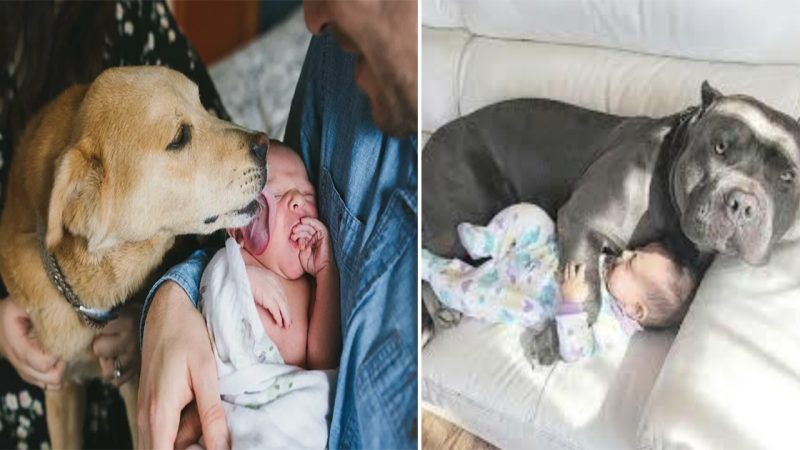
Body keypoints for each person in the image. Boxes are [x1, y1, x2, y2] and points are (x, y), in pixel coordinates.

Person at [137, 1, 418, 449]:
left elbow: (323, 358)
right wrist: (172, 300)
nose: (311, 20)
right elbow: (227, 241)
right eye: (283, 197)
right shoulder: (341, 56)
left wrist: (326, 272)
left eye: (307, 198)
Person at [0, 1, 229, 448]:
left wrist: (159, 305)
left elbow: (214, 166)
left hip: (141, 337)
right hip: (21, 348)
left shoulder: (130, 12)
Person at [421, 203, 694, 362]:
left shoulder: (612, 329)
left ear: (636, 310)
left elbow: (576, 351)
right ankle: (488, 239)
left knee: (470, 296)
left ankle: (434, 268)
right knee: (534, 217)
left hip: (520, 293)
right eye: (635, 250)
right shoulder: (610, 267)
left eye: (632, 262)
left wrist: (572, 304)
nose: (625, 252)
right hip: (540, 250)